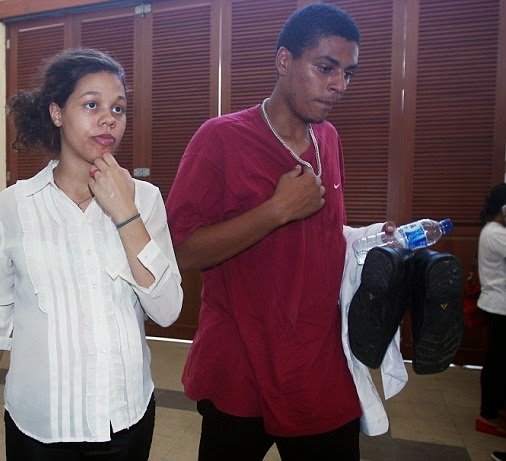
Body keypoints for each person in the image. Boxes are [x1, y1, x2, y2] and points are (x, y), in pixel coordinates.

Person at [0, 48, 183, 461]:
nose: (109, 118)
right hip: (40, 429)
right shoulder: (15, 206)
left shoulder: (145, 200)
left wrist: (125, 212)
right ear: (57, 113)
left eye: (118, 108)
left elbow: (167, 311)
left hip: (125, 421)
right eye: (92, 105)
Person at [165, 3, 365, 459]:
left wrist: (370, 239)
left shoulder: (329, 138)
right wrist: (275, 211)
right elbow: (180, 251)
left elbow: (322, 237)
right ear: (284, 61)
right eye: (325, 68)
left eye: (348, 73)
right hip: (241, 367)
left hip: (318, 366)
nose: (339, 85)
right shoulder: (220, 139)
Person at [475, 183, 506, 438]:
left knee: (498, 361)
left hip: (498, 304)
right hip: (498, 305)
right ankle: (488, 413)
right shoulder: (495, 232)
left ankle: (495, 409)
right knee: (497, 363)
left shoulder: (495, 230)